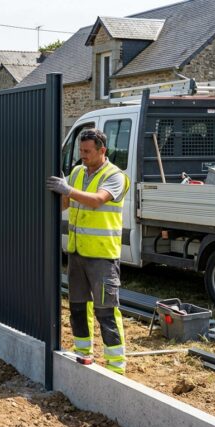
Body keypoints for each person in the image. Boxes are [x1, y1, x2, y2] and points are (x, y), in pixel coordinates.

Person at [46, 128, 130, 375]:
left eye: (87, 151)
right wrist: (61, 192)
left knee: (106, 310)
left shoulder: (115, 176)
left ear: (102, 150)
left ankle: (116, 367)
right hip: (77, 253)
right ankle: (84, 355)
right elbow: (66, 205)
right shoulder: (77, 172)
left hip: (102, 256)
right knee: (78, 307)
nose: (82, 155)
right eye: (80, 151)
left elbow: (96, 200)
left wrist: (67, 190)